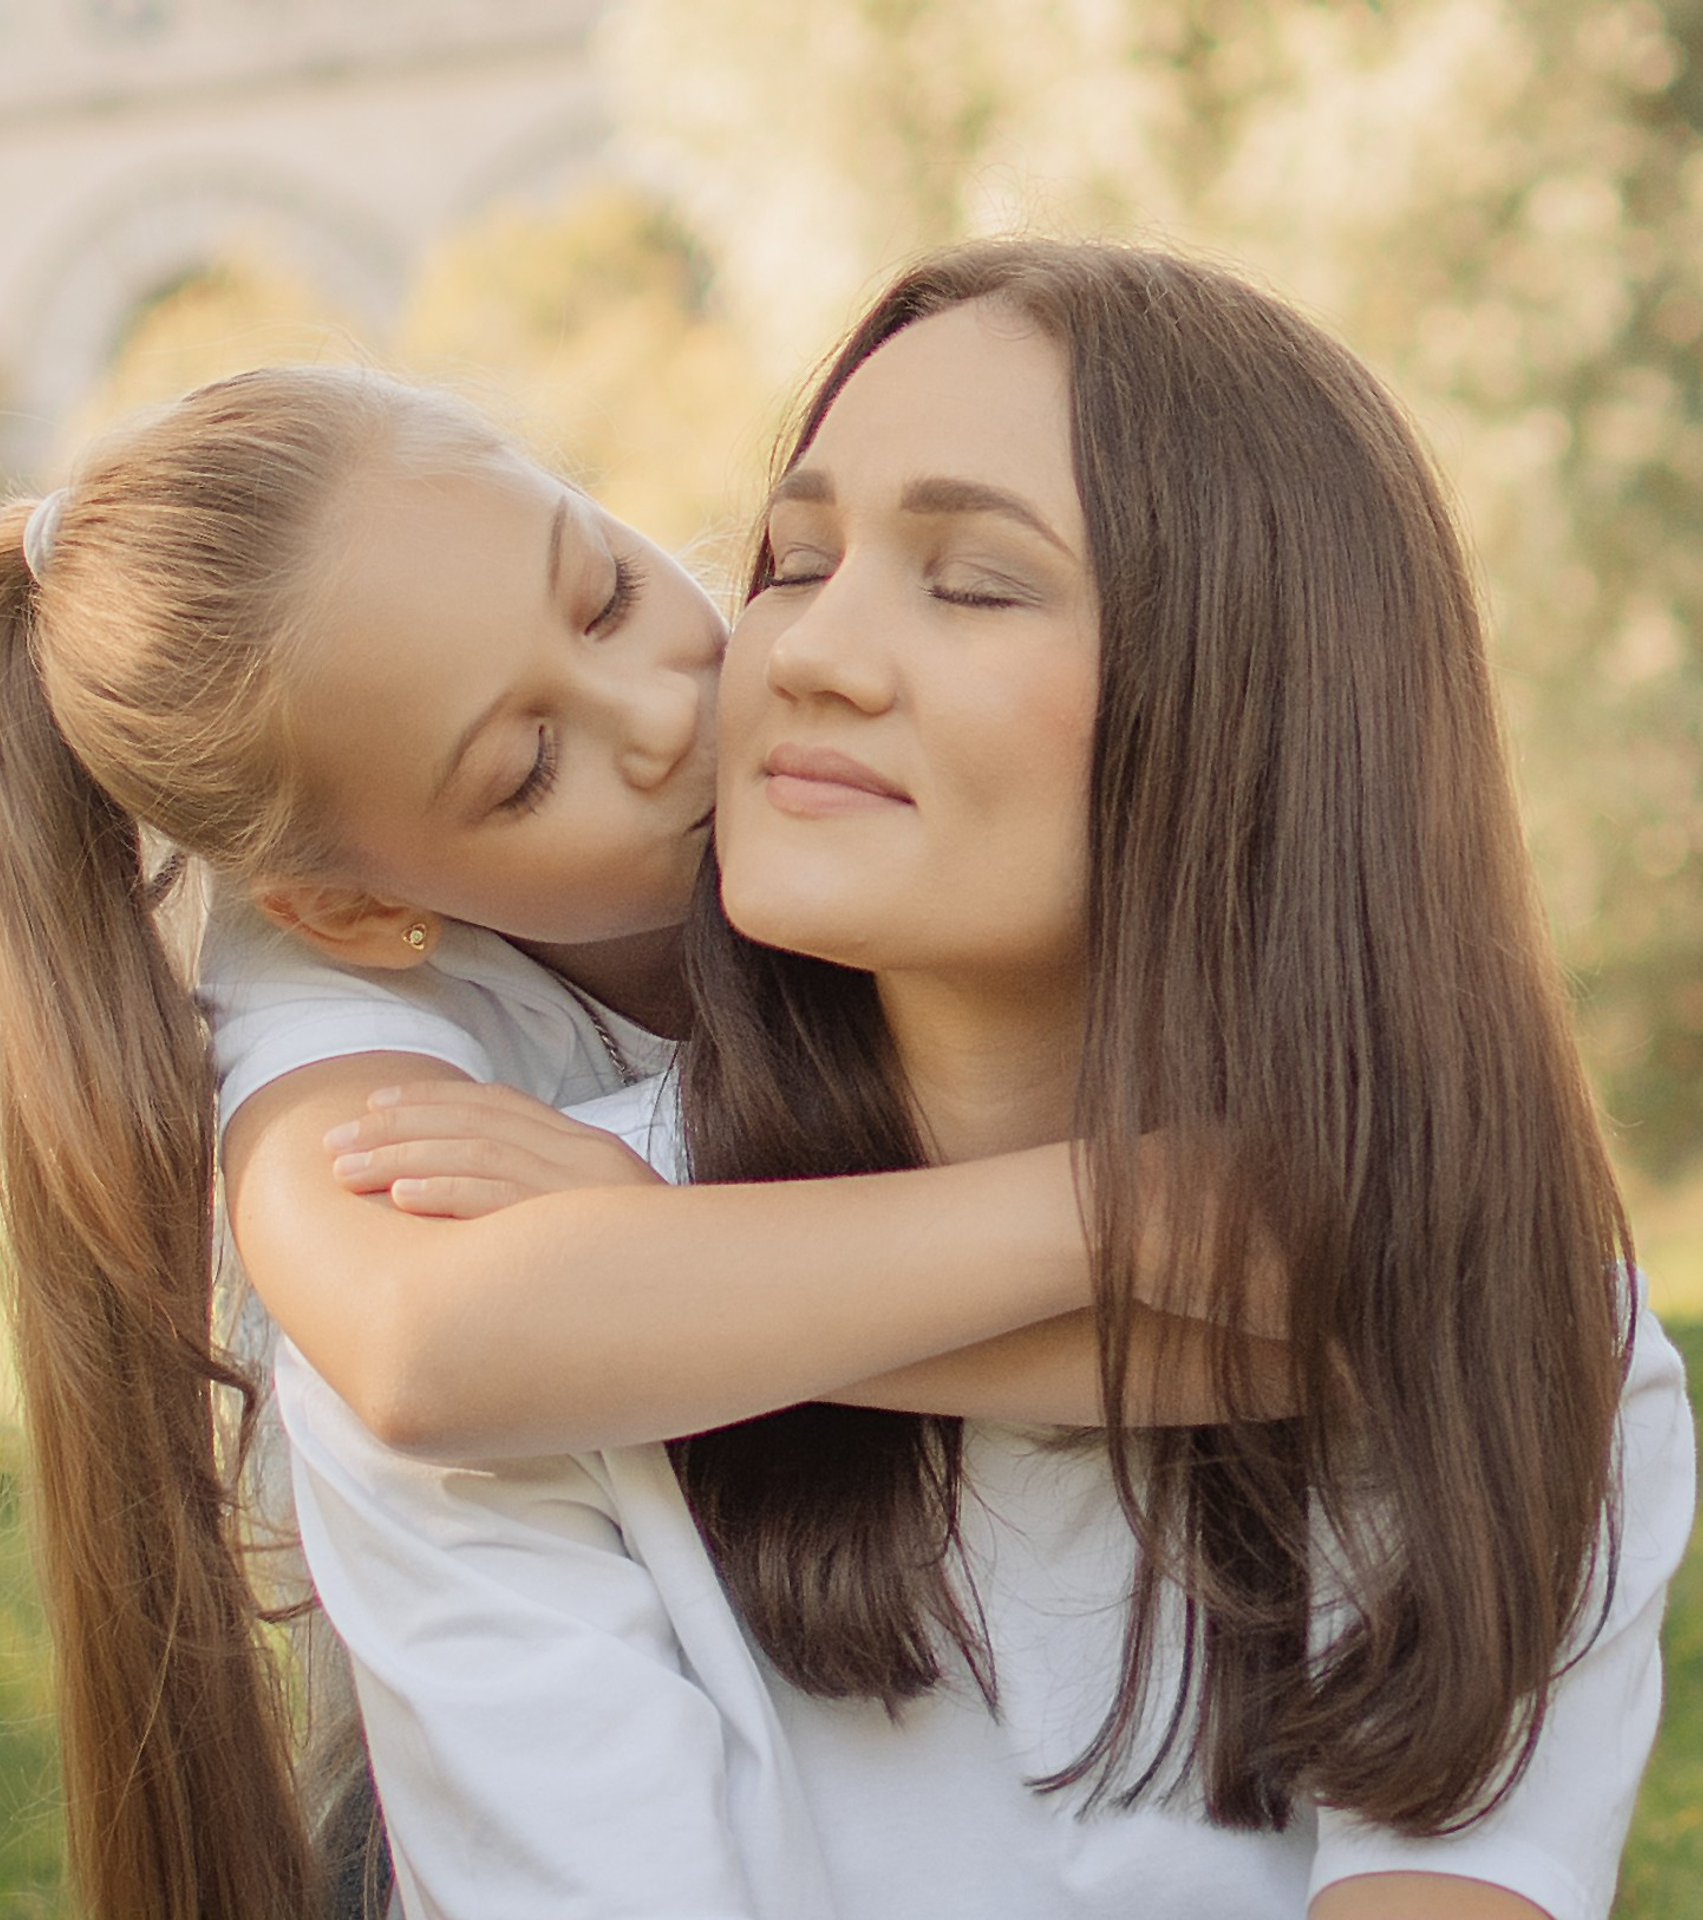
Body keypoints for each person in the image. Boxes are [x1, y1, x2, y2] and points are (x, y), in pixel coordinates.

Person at [226, 242, 1695, 1919]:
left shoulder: (1524, 1348)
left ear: (1252, 702)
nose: (803, 654)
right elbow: (421, 1334)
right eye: (793, 559)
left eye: (975, 583)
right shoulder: (511, 1269)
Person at [0, 361, 1268, 1920]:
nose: (662, 715)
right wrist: (1136, 1218)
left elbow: (1343, 1311)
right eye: (525, 770)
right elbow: (423, 1350)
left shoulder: (857, 722)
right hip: (547, 1768)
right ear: (360, 907)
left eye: (610, 592)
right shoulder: (332, 1003)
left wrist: (656, 1239)